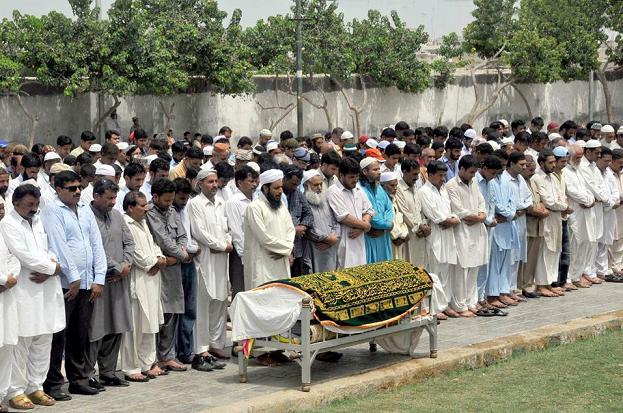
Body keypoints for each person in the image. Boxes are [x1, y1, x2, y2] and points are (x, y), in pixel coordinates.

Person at [42, 170, 107, 398]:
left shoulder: (84, 209)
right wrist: (73, 277)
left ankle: (78, 379)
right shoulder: (52, 210)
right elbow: (59, 245)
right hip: (65, 284)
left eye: (79, 187)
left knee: (80, 333)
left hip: (87, 282)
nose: (77, 191)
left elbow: (95, 243)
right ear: (58, 190)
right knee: (59, 335)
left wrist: (98, 277)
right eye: (72, 188)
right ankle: (52, 383)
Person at [2, 184, 61, 409]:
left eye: (36, 204)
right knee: (23, 341)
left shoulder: (37, 221)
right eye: (29, 205)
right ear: (16, 203)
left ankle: (35, 386)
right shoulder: (8, 224)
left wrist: (54, 265)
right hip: (24, 290)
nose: (34, 209)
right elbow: (24, 256)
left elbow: (46, 250)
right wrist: (52, 268)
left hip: (44, 288)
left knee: (43, 338)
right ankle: (16, 391)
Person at [87, 180, 135, 389]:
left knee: (116, 326)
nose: (112, 202)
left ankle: (108, 371)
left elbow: (129, 242)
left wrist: (126, 265)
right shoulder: (86, 216)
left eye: (114, 198)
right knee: (96, 329)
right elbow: (92, 249)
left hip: (119, 280)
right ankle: (88, 374)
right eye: (108, 198)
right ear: (96, 196)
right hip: (99, 281)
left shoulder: (116, 216)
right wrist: (116, 267)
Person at [188, 169, 232, 369]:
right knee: (203, 304)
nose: (214, 185)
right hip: (205, 260)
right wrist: (220, 246)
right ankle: (202, 348)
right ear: (200, 184)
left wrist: (228, 243)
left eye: (216, 181)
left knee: (221, 300)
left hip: (222, 260)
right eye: (210, 182)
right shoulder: (194, 204)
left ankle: (216, 344)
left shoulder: (222, 203)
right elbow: (199, 232)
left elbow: (228, 228)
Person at [145, 179, 190, 373]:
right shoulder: (150, 213)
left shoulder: (172, 211)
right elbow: (163, 240)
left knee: (172, 312)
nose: (169, 204)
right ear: (155, 197)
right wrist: (182, 255)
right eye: (166, 200)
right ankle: (154, 357)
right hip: (159, 270)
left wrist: (180, 255)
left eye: (171, 200)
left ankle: (168, 356)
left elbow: (182, 236)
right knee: (159, 314)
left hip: (174, 269)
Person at [120, 191, 165, 382]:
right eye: (142, 205)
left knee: (150, 323)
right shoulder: (125, 223)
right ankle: (131, 367)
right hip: (138, 279)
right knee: (135, 327)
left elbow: (154, 245)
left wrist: (160, 257)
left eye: (146, 204)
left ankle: (147, 363)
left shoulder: (144, 222)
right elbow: (137, 255)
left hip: (152, 279)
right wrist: (154, 262)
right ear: (130, 207)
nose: (146, 208)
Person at [445, 155, 488, 317]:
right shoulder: (451, 186)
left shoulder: (474, 182)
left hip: (476, 231)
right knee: (461, 269)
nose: (473, 175)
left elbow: (481, 203)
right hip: (462, 232)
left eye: (474, 172)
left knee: (474, 267)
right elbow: (459, 210)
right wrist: (478, 217)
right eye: (470, 172)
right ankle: (459, 305)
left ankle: (471, 301)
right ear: (461, 169)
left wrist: (482, 216)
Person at [418, 160, 460, 318]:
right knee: (434, 271)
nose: (443, 179)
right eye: (440, 175)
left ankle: (445, 304)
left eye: (444, 175)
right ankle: (434, 308)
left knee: (446, 270)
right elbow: (436, 216)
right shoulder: (424, 192)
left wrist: (453, 219)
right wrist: (450, 220)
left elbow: (452, 212)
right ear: (431, 175)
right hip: (435, 235)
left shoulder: (443, 190)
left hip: (448, 234)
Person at [243, 169, 295, 289]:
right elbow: (264, 238)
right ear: (265, 188)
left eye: (281, 187)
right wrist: (286, 249)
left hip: (281, 261)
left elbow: (290, 229)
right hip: (262, 264)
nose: (280, 191)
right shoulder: (254, 208)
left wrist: (283, 250)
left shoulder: (281, 206)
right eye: (276, 188)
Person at [171, 178, 201, 366]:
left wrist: (192, 248)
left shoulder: (188, 208)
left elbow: (191, 233)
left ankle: (187, 350)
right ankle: (174, 351)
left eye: (186, 198)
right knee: (175, 310)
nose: (184, 201)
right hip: (175, 262)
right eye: (181, 198)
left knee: (189, 308)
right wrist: (186, 251)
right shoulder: (169, 211)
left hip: (189, 261)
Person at [532, 150, 569, 296]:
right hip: (546, 218)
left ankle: (550, 283)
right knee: (544, 252)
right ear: (541, 163)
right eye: (550, 162)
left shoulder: (553, 177)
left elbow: (561, 196)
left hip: (557, 217)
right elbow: (548, 201)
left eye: (554, 162)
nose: (554, 165)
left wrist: (563, 205)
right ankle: (541, 285)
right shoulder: (537, 178)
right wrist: (564, 207)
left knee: (555, 251)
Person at [326, 158, 373, 269]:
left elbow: (369, 210)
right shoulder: (333, 191)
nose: (355, 180)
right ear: (341, 175)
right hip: (345, 240)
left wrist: (362, 227)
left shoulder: (357, 189)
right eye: (351, 177)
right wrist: (366, 226)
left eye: (356, 176)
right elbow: (344, 217)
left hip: (360, 239)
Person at [564, 144, 597, 288]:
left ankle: (577, 276)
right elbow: (571, 191)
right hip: (575, 214)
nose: (579, 160)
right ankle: (569, 278)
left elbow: (588, 189)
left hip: (586, 212)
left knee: (584, 244)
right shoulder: (565, 171)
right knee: (574, 246)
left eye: (580, 157)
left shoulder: (579, 170)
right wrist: (586, 200)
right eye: (576, 157)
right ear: (569, 156)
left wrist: (590, 200)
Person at [517, 155, 549, 297]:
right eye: (529, 169)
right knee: (524, 258)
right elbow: (527, 206)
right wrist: (539, 212)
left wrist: (543, 210)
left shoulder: (533, 181)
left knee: (533, 258)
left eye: (533, 169)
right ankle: (521, 286)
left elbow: (541, 200)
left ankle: (529, 285)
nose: (532, 172)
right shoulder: (520, 182)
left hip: (538, 225)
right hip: (528, 224)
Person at [578, 140, 609, 285]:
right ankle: (585, 271)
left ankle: (590, 270)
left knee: (596, 239)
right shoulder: (582, 166)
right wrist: (603, 198)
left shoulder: (594, 167)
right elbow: (591, 186)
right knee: (588, 240)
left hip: (598, 207)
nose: (598, 155)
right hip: (589, 206)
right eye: (596, 153)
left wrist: (605, 198)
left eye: (599, 153)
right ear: (587, 152)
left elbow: (601, 186)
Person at [225, 166, 259, 297]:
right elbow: (236, 232)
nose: (254, 184)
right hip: (241, 254)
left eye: (255, 181)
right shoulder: (233, 202)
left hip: (256, 251)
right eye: (250, 181)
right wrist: (245, 256)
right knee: (241, 290)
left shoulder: (256, 200)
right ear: (239, 182)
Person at [303, 170, 340, 272]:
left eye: (321, 184)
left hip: (331, 246)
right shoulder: (303, 202)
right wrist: (326, 239)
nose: (319, 188)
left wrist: (332, 240)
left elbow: (336, 221)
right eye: (315, 185)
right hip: (315, 247)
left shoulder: (326, 199)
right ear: (306, 186)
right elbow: (308, 228)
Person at [395, 160, 430, 268]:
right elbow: (405, 212)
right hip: (408, 234)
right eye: (414, 174)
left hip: (420, 233)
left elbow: (420, 210)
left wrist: (424, 225)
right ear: (405, 172)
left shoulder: (414, 186)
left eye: (418, 174)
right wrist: (419, 227)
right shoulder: (398, 188)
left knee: (421, 266)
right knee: (409, 265)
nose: (417, 177)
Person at [0, 226, 20, 413]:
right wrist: (2, 279)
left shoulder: (4, 232)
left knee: (6, 346)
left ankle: (0, 395)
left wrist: (9, 279)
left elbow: (15, 257)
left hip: (7, 295)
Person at [359, 157, 393, 263]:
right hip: (371, 236)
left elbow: (389, 208)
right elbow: (371, 216)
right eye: (375, 170)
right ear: (365, 171)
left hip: (383, 235)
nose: (379, 172)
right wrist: (387, 225)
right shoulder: (360, 189)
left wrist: (388, 224)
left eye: (379, 169)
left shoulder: (379, 187)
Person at [281, 165, 314, 276]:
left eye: (297, 185)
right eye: (293, 184)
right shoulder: (276, 195)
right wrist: (293, 230)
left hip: (297, 249)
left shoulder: (297, 193)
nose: (295, 187)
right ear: (284, 179)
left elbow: (309, 214)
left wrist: (303, 227)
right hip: (282, 248)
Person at [593, 147, 620, 280]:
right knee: (597, 241)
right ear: (598, 159)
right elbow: (599, 192)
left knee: (605, 242)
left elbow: (615, 191)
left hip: (610, 211)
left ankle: (603, 270)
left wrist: (614, 201)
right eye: (605, 161)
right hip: (600, 210)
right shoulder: (594, 172)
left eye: (610, 161)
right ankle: (596, 270)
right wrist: (610, 203)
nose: (608, 164)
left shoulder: (608, 173)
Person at [380, 172, 409, 260]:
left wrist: (404, 234)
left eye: (396, 185)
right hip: (390, 241)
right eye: (392, 185)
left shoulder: (394, 199)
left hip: (400, 240)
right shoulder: (381, 201)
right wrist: (396, 236)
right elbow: (387, 221)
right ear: (382, 186)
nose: (395, 188)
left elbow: (400, 218)